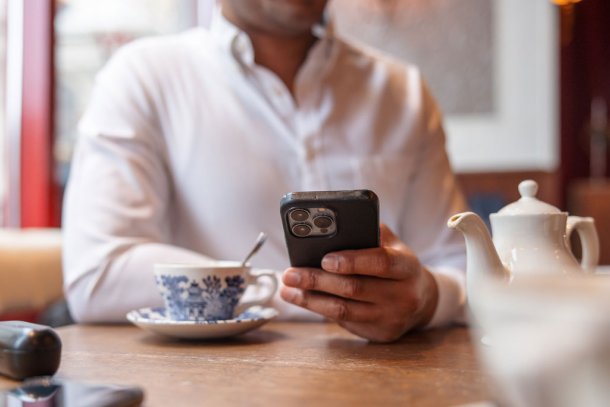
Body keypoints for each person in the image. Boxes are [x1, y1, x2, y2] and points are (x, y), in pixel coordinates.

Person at [62, 0, 468, 343]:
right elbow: (99, 274)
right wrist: (296, 293)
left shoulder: (403, 92)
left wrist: (427, 297)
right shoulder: (142, 78)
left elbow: (463, 266)